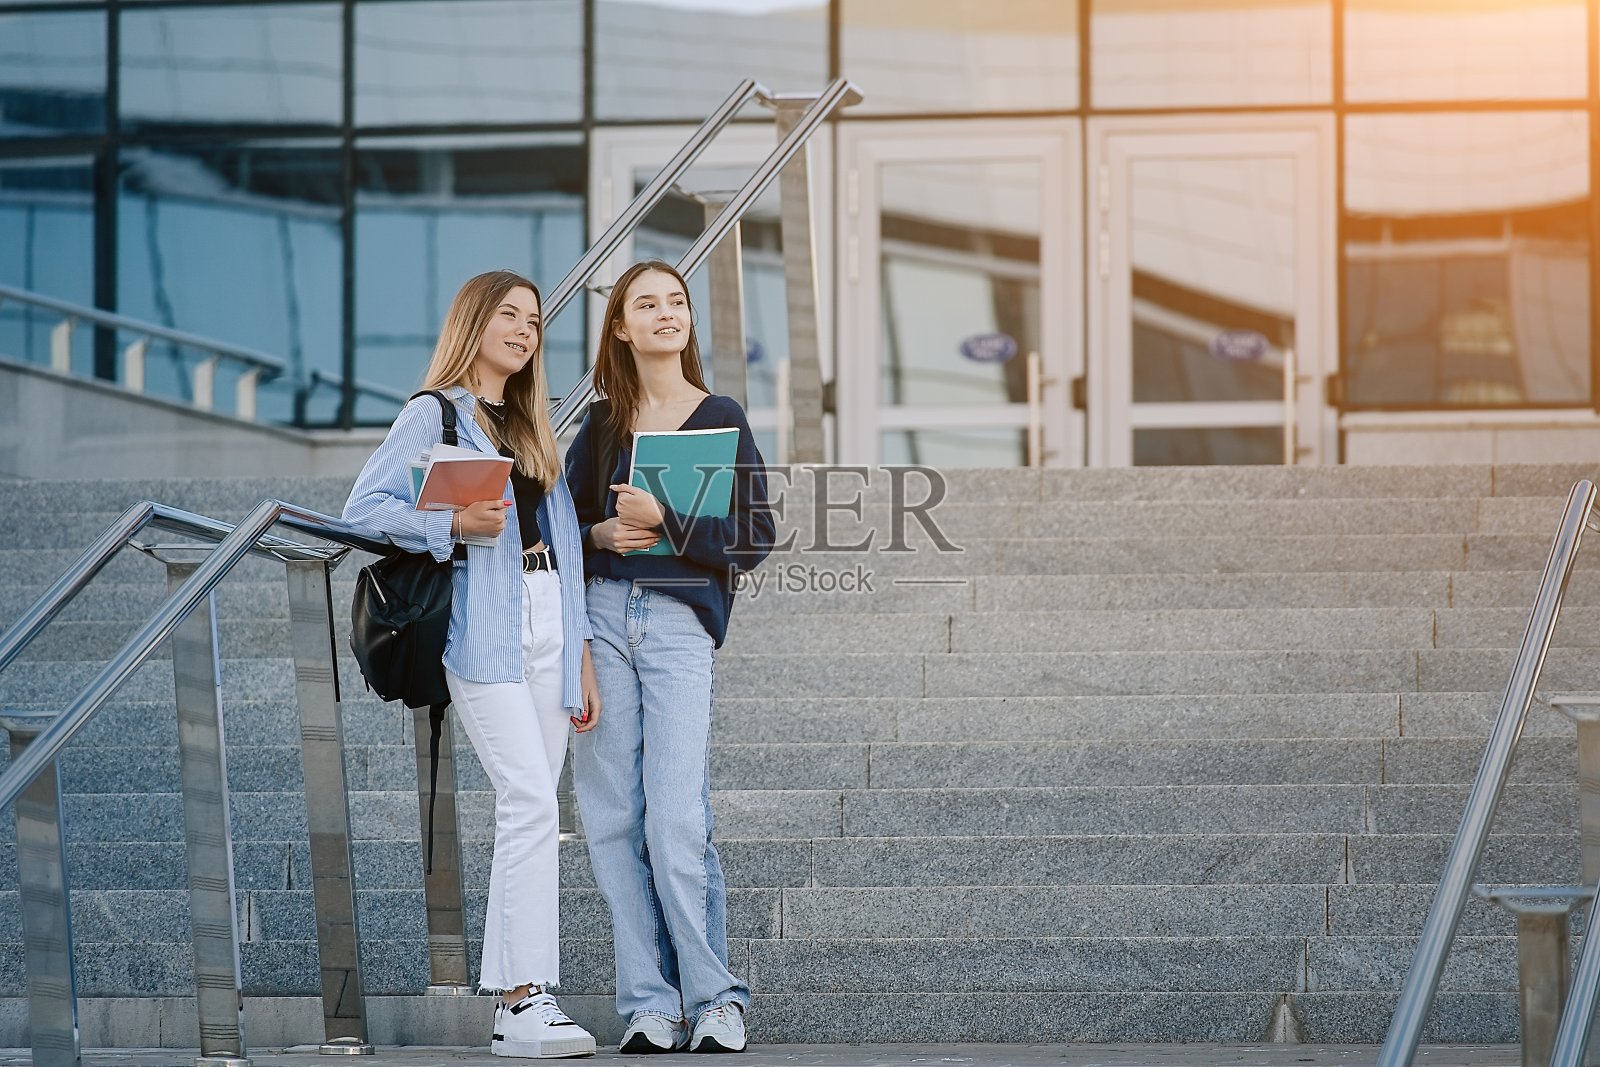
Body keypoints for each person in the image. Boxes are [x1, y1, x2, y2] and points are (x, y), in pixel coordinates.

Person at [343, 269, 601, 1059]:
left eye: (533, 320)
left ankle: (521, 1003)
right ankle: (524, 1001)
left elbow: (564, 548)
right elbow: (361, 509)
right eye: (510, 316)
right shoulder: (435, 413)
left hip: (551, 618)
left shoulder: (531, 423)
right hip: (484, 629)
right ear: (473, 322)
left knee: (535, 809)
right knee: (526, 798)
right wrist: (452, 520)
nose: (525, 330)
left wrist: (581, 652)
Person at [565, 260, 775, 1054]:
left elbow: (753, 538)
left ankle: (716, 997)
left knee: (678, 817)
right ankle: (650, 1003)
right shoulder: (603, 423)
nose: (665, 313)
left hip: (681, 624)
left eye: (676, 302)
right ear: (619, 326)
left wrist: (668, 518)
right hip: (605, 618)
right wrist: (598, 535)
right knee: (614, 817)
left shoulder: (719, 415)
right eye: (645, 304)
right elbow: (561, 528)